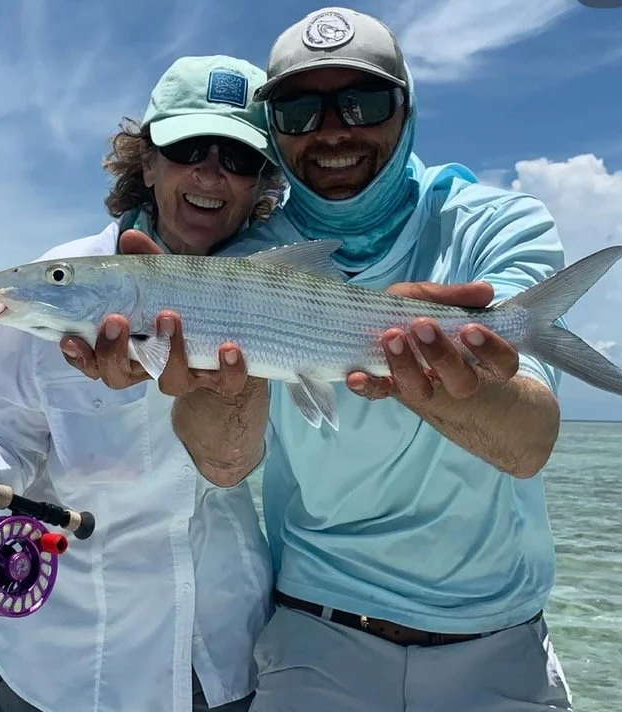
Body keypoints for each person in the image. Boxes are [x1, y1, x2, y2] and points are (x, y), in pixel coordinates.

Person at [71, 7, 575, 711]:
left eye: (364, 102)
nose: (335, 130)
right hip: (314, 632)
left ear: (407, 110)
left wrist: (428, 381)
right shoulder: (248, 257)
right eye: (302, 111)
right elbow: (223, 464)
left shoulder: (497, 225)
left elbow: (528, 446)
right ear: (277, 130)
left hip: (498, 637)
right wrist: (224, 385)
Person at [0, 54, 286, 712]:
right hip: (64, 657)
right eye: (189, 147)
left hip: (222, 648)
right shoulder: (57, 282)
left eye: (239, 159)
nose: (211, 174)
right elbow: (0, 436)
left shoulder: (279, 292)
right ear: (149, 161)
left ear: (258, 184)